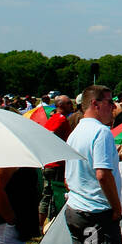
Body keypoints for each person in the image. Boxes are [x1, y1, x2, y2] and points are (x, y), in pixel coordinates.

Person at [64, 85, 122, 244]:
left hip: (77, 210)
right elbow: (102, 173)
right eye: (110, 102)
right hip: (96, 214)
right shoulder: (101, 133)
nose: (114, 108)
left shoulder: (76, 131)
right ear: (95, 105)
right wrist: (116, 206)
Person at [39, 95, 76, 227]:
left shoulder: (52, 118)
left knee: (47, 194)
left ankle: (43, 223)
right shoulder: (61, 120)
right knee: (54, 196)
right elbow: (53, 136)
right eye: (68, 104)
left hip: (49, 162)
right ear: (61, 105)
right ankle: (49, 224)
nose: (71, 106)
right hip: (57, 164)